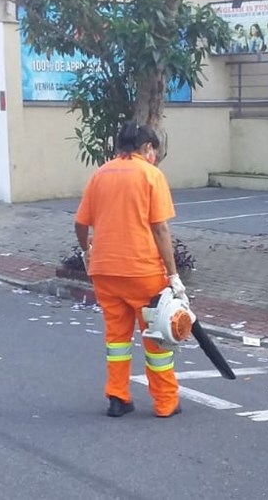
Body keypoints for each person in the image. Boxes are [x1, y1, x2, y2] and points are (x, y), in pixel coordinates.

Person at [74, 122, 184, 418]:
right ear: (147, 148)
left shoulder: (100, 174)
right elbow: (160, 228)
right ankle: (165, 402)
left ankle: (117, 396)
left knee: (117, 339)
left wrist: (87, 252)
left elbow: (80, 223)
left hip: (105, 271)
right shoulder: (151, 175)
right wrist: (173, 275)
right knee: (157, 337)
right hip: (142, 271)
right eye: (154, 152)